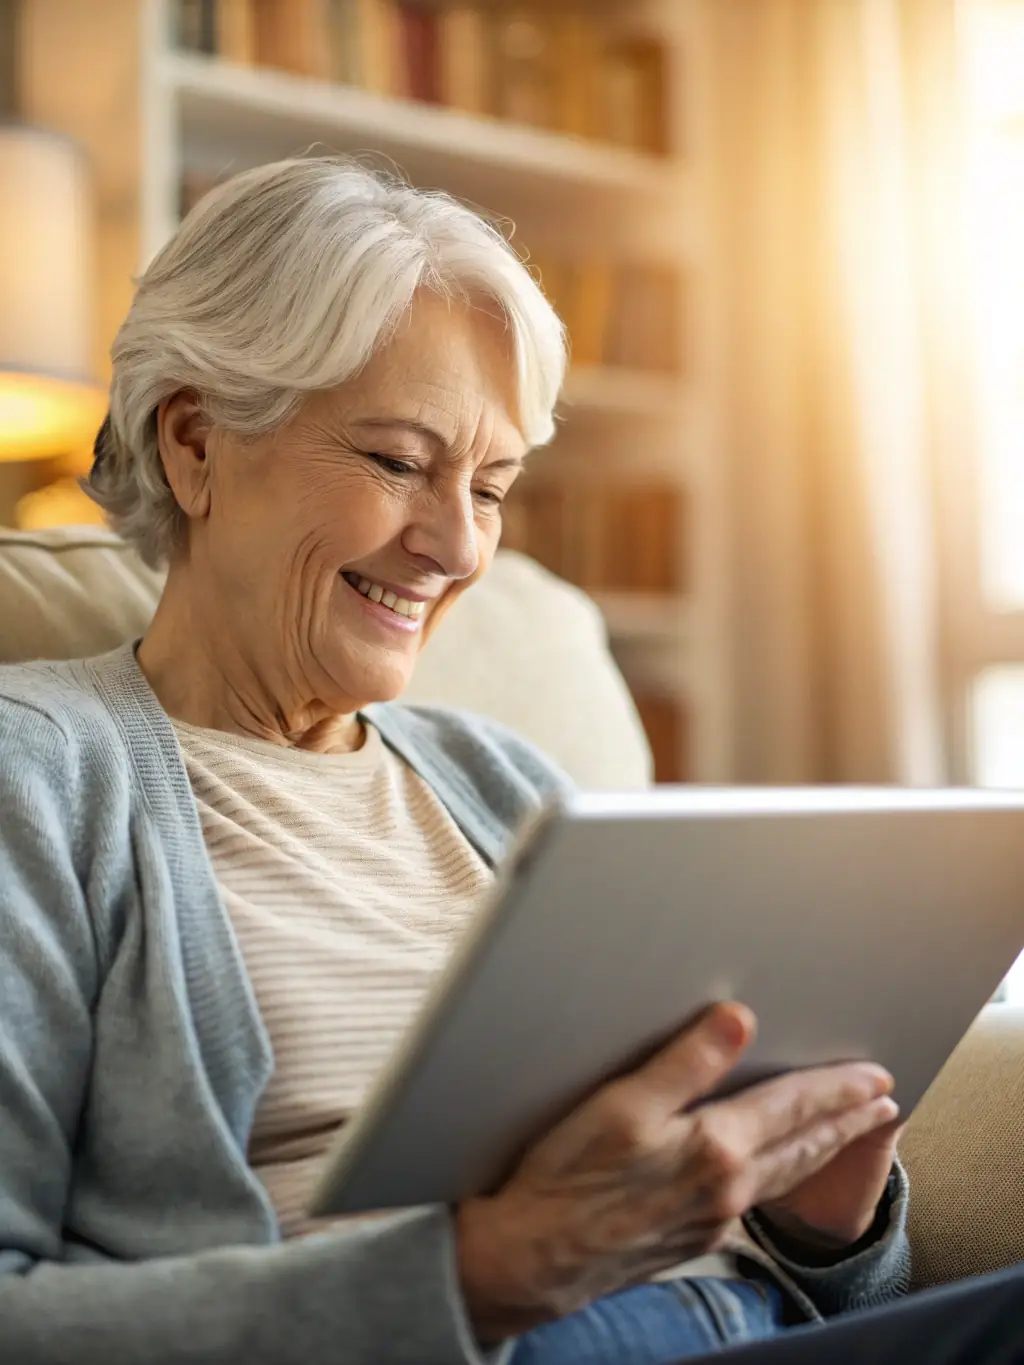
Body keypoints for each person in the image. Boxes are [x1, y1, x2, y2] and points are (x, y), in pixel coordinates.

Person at [0, 156, 1013, 1365]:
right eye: (396, 463)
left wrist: (819, 1229)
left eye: (489, 487)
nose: (455, 547)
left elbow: (805, 1286)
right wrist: (481, 1276)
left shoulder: (508, 784)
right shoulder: (40, 774)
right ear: (196, 443)